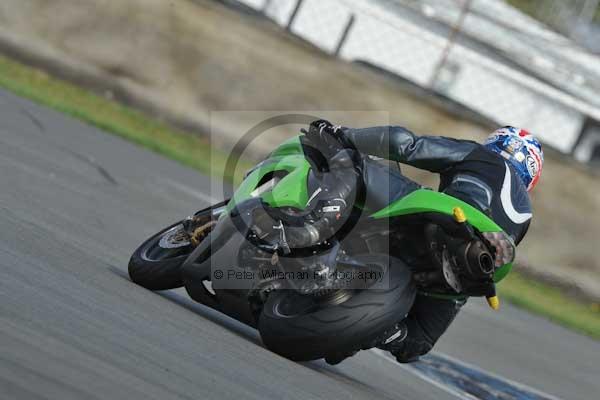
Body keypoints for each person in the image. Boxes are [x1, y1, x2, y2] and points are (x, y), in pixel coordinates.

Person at [307, 120, 544, 363]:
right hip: (473, 268)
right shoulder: (526, 214)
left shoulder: (482, 156)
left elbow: (406, 145)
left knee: (348, 163)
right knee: (419, 339)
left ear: (495, 144)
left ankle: (313, 228)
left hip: (449, 218)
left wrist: (345, 135)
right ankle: (381, 332)